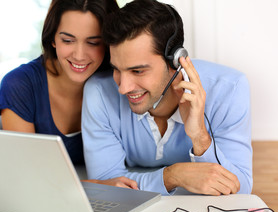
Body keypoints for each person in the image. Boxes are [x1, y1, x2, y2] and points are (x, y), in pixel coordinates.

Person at [81, 0, 253, 196]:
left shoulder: (229, 89)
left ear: (175, 60)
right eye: (116, 69)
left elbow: (240, 190)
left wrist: (201, 139)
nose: (123, 88)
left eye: (137, 71)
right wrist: (172, 177)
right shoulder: (99, 93)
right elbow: (107, 184)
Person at [0, 0, 137, 189]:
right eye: (68, 40)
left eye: (93, 42)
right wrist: (99, 186)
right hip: (55, 196)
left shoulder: (122, 82)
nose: (79, 55)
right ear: (53, 38)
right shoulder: (20, 85)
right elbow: (25, 176)